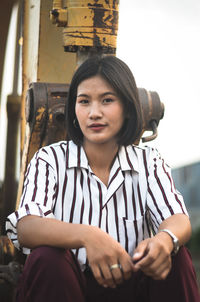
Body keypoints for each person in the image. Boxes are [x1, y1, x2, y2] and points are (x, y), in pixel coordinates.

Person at [6, 55, 200, 302]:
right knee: (47, 258)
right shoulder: (50, 159)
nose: (94, 113)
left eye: (107, 100)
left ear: (128, 108)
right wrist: (89, 236)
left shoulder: (149, 161)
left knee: (175, 255)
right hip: (67, 288)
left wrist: (164, 240)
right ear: (74, 111)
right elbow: (27, 226)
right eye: (84, 101)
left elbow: (178, 218)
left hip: (132, 288)